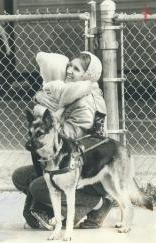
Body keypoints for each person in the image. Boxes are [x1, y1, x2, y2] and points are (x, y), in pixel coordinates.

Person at [12, 51, 113, 230]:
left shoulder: (86, 102)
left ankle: (97, 203)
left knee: (37, 187)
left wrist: (44, 113)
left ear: (87, 75)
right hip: (65, 162)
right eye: (69, 65)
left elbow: (73, 139)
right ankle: (56, 211)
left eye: (76, 69)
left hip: (86, 170)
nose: (69, 70)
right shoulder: (71, 95)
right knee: (21, 177)